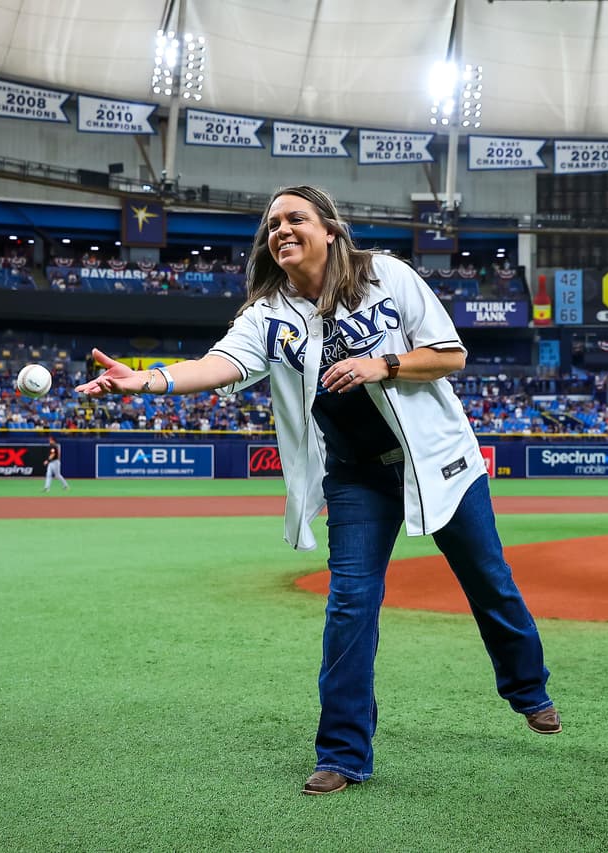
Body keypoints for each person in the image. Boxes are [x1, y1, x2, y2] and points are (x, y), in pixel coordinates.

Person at [76, 185, 558, 795]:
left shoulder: (386, 275)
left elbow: (450, 355)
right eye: (272, 223)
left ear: (330, 229)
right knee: (350, 605)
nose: (281, 229)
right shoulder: (266, 313)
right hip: (356, 475)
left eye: (295, 218)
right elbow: (216, 365)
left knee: (488, 577)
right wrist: (146, 382)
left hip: (437, 458)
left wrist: (381, 365)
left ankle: (527, 687)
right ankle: (343, 752)